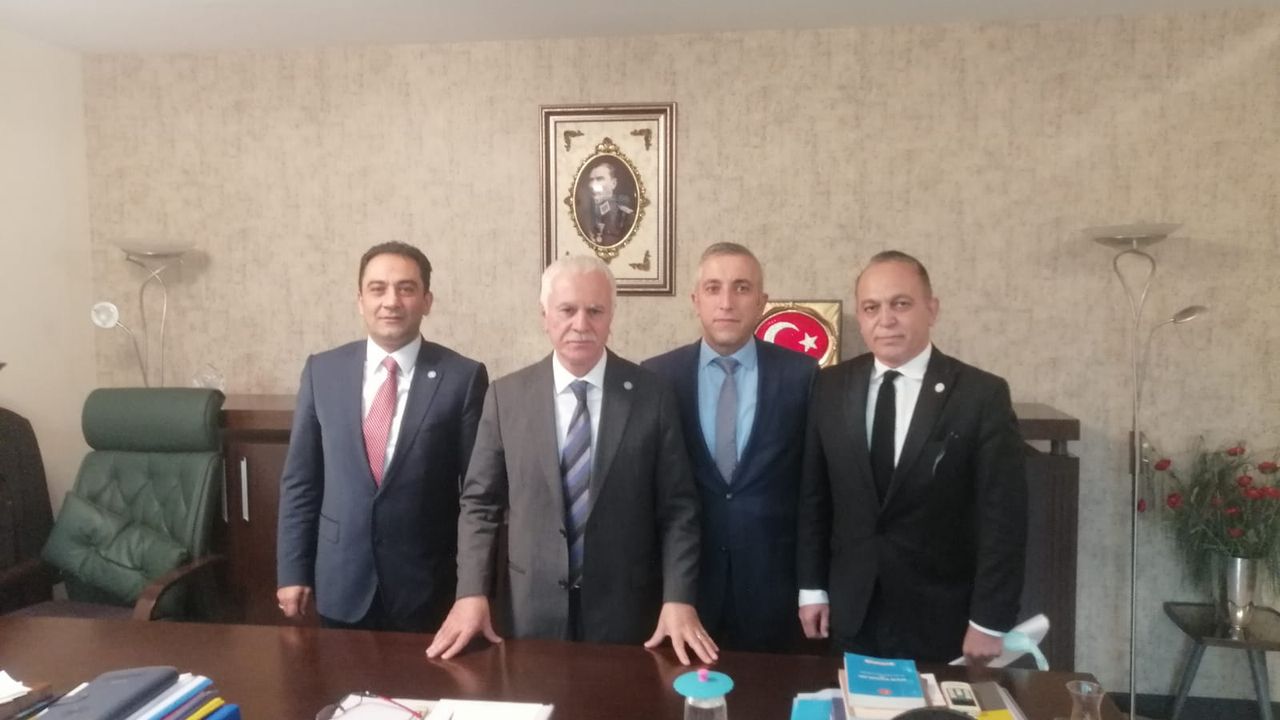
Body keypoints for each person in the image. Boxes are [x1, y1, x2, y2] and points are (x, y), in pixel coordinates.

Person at [426, 255, 716, 665]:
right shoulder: (506, 397)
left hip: (628, 611)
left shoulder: (652, 396)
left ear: (611, 316)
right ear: (544, 316)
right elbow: (480, 504)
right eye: (567, 310)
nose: (581, 324)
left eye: (595, 311)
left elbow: (679, 509)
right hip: (530, 610)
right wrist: (471, 592)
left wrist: (679, 598)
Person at [796, 250, 1027, 664]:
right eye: (871, 307)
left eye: (900, 304)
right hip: (851, 611)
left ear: (931, 309)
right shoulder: (829, 387)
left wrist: (990, 621)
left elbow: (1004, 520)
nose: (885, 319)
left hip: (941, 617)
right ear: (860, 316)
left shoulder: (980, 395)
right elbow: (814, 498)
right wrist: (812, 588)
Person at [276, 242, 489, 632]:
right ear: (360, 301)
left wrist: (472, 588)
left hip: (426, 587)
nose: (391, 301)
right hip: (341, 580)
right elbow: (301, 482)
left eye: (406, 289)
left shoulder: (462, 377)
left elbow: (477, 493)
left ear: (427, 301)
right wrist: (293, 570)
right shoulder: (323, 371)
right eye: (378, 289)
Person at [643, 242, 817, 652]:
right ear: (695, 300)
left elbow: (814, 491)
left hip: (774, 591)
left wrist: (813, 587)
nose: (726, 302)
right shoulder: (657, 377)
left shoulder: (802, 376)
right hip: (684, 591)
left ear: (761, 301)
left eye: (741, 288)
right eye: (713, 288)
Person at [577, 160, 635, 247]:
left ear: (613, 183)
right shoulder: (584, 216)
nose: (592, 185)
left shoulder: (626, 217)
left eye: (600, 179)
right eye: (591, 180)